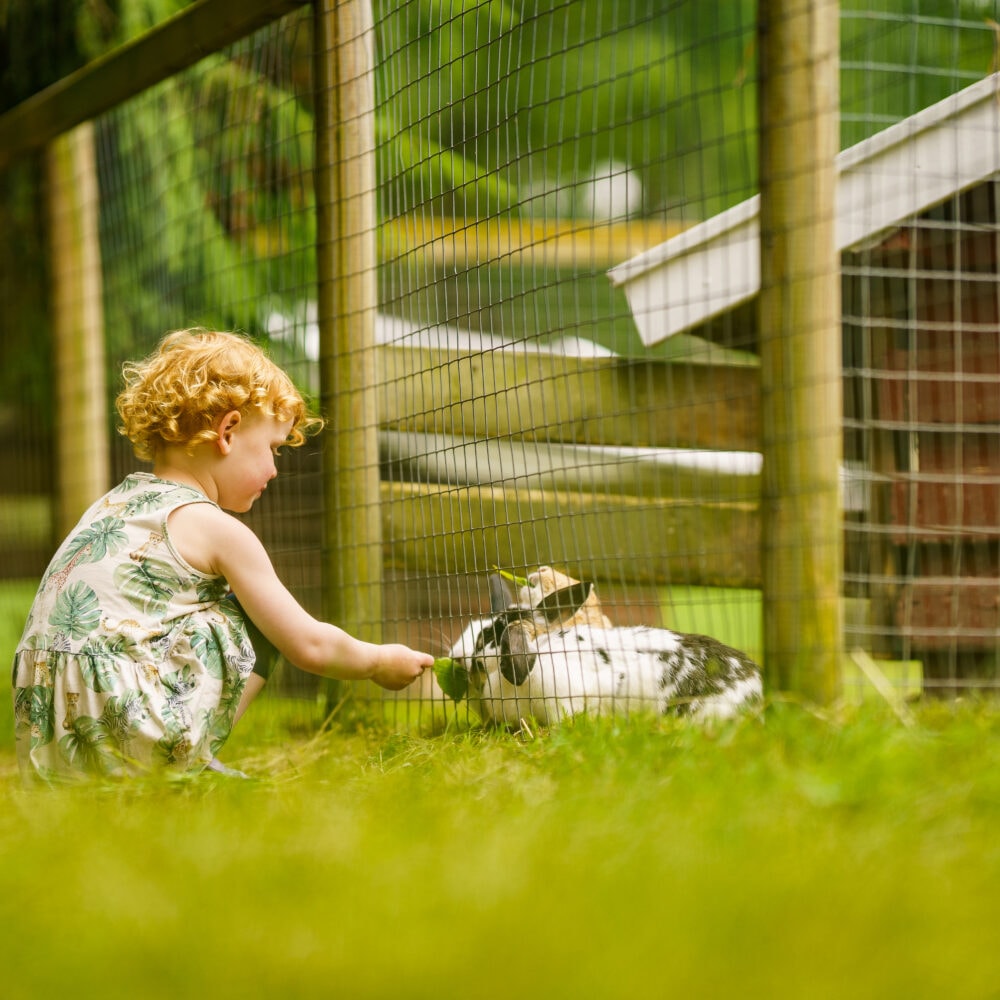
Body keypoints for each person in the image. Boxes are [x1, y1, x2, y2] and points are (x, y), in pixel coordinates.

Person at [12, 329, 433, 784]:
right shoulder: (219, 530)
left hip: (45, 731)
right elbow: (306, 643)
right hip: (129, 726)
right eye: (273, 448)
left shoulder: (111, 505)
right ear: (227, 432)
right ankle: (187, 769)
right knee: (255, 615)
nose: (274, 469)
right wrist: (377, 661)